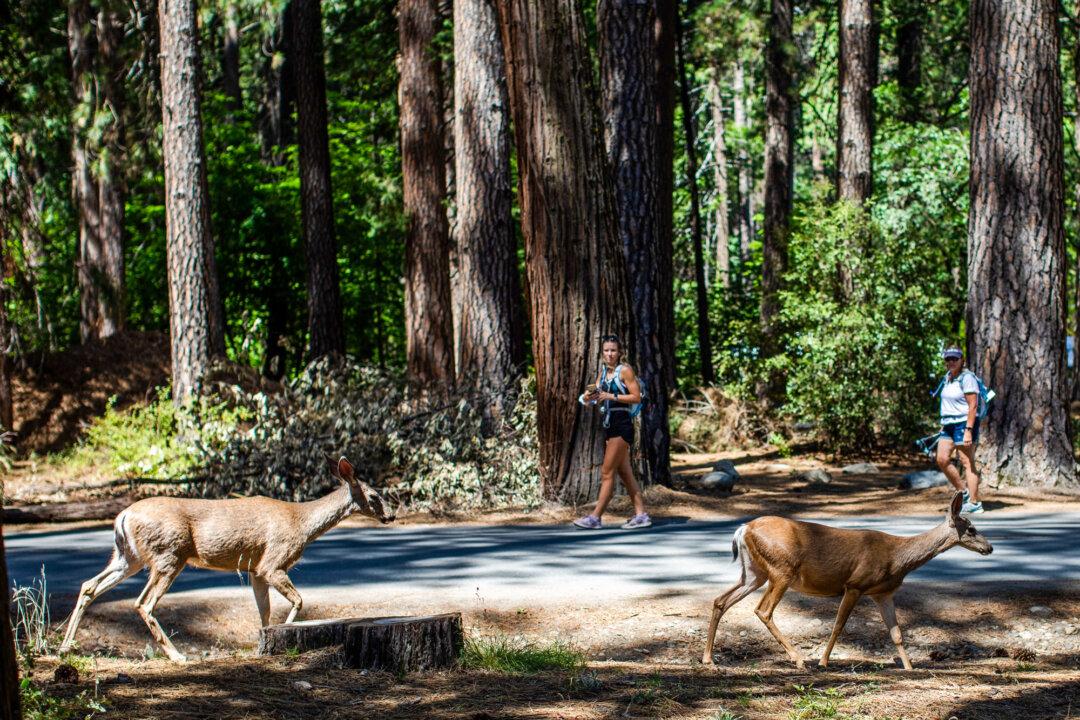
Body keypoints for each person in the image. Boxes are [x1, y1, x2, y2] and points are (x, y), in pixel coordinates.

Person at [573, 335, 651, 529]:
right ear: (602, 352)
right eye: (606, 350)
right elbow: (596, 394)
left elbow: (636, 397)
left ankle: (595, 517)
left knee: (607, 472)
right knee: (625, 473)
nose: (609, 354)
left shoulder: (625, 370)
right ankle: (641, 515)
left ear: (620, 352)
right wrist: (588, 397)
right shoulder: (603, 372)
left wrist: (611, 395)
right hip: (609, 426)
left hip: (622, 425)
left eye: (613, 350)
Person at [934, 346, 984, 513]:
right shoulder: (948, 377)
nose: (951, 362)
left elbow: (973, 405)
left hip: (964, 423)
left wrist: (968, 430)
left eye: (955, 359)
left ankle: (975, 503)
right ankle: (963, 492)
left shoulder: (967, 378)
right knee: (942, 459)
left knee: (967, 461)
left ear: (962, 360)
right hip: (948, 424)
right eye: (948, 359)